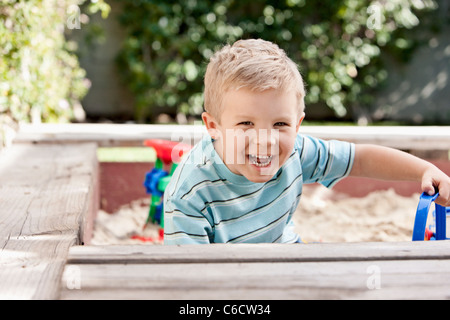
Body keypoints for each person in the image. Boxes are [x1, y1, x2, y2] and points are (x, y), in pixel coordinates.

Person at [163, 39, 450, 245]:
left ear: (297, 125)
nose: (265, 142)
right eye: (246, 124)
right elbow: (189, 280)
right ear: (214, 127)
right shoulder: (190, 194)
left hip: (289, 263)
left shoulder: (297, 152)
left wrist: (424, 170)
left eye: (280, 125)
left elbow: (360, 158)